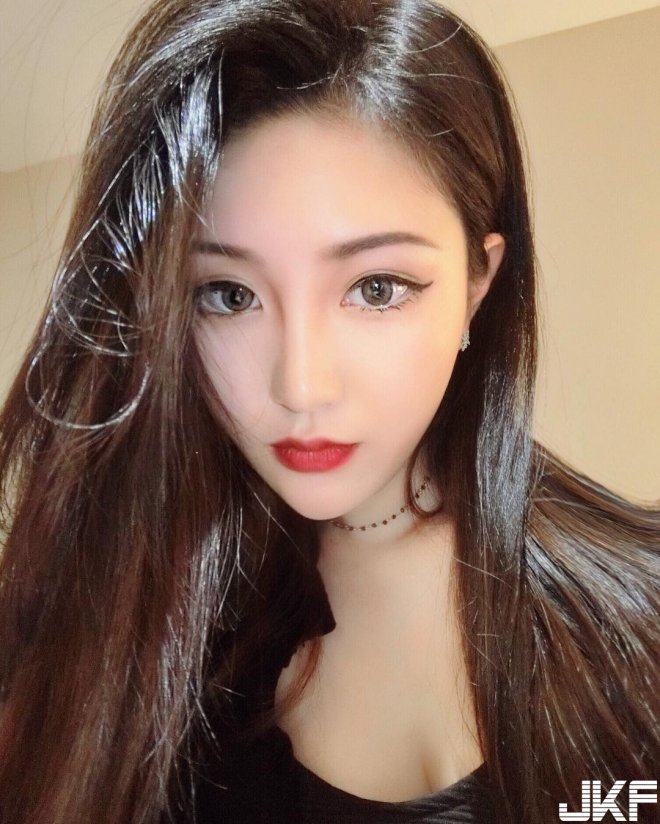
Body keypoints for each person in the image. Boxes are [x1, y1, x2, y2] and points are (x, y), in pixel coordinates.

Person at [0, 1, 657, 822]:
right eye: (227, 295)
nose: (301, 386)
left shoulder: (639, 622)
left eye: (376, 289)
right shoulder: (103, 629)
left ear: (477, 285)